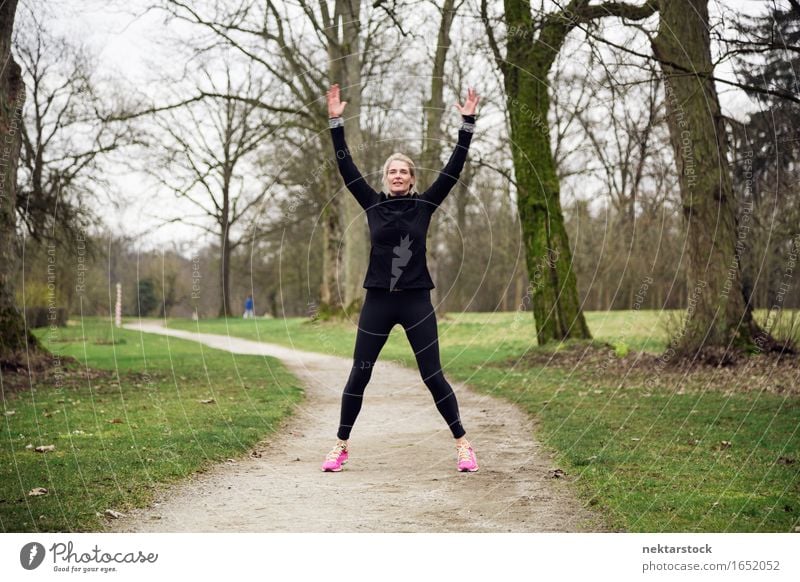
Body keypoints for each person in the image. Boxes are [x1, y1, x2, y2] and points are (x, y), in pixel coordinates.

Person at [322, 83, 479, 473]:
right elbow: (346, 168)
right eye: (391, 171)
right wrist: (336, 123)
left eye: (402, 171)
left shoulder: (425, 204)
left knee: (433, 375)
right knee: (360, 373)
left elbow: (453, 169)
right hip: (378, 299)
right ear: (386, 177)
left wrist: (467, 124)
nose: (396, 176)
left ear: (411, 178)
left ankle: (463, 445)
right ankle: (340, 446)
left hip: (415, 301)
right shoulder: (371, 203)